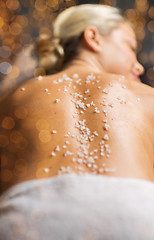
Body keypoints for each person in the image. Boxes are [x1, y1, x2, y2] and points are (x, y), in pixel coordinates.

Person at [1, 4, 154, 240]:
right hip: (137, 215)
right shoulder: (147, 96)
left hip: (30, 216)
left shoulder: (16, 96)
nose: (139, 65)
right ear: (93, 37)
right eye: (131, 47)